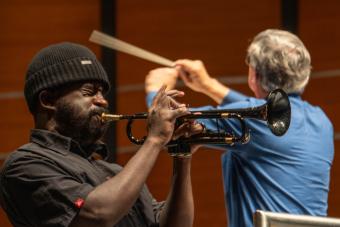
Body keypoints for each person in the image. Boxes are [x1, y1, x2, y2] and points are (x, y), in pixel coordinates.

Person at [145, 29, 334, 227]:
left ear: (255, 74)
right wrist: (209, 85)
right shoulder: (322, 121)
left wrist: (155, 90)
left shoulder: (253, 120)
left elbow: (169, 123)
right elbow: (256, 114)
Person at [0, 42, 201, 227]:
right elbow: (99, 214)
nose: (103, 101)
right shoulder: (24, 165)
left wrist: (182, 155)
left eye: (102, 93)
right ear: (48, 100)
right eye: (89, 92)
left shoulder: (113, 172)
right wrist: (155, 139)